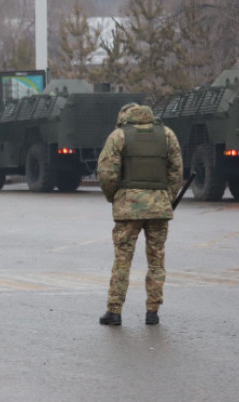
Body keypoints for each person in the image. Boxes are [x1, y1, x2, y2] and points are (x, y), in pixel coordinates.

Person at [97, 103, 182, 326]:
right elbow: (176, 172)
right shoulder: (167, 135)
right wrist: (167, 198)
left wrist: (114, 196)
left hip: (128, 208)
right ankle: (152, 312)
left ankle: (114, 311)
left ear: (125, 117)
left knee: (122, 261)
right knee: (156, 261)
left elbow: (106, 172)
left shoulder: (118, 136)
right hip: (159, 208)